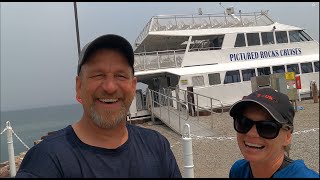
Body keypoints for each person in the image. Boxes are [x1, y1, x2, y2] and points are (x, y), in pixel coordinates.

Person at [15, 34, 182, 178]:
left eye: (120, 76)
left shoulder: (157, 146)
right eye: (98, 75)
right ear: (79, 87)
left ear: (133, 86)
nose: (110, 87)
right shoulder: (47, 160)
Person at [228, 88, 319, 178]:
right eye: (244, 123)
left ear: (287, 137)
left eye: (267, 127)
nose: (251, 133)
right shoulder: (238, 171)